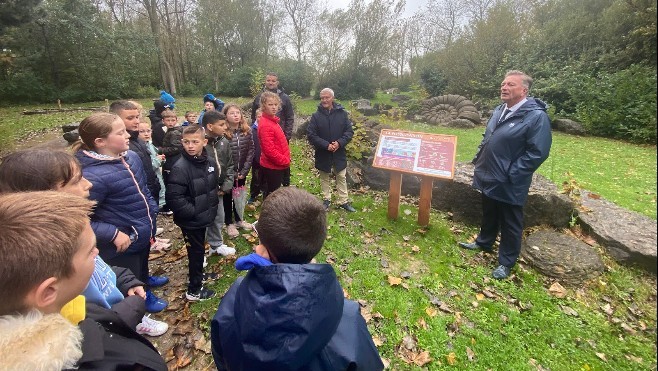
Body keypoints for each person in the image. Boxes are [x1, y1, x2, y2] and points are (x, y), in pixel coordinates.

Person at [210, 187, 384, 370]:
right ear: (317, 244)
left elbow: (223, 358)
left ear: (263, 250)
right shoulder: (348, 323)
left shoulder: (234, 299)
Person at [0, 148, 169, 336]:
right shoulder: (48, 256)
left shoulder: (75, 232)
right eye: (77, 180)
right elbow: (89, 330)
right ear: (44, 194)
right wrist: (124, 315)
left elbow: (99, 268)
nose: (88, 184)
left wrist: (125, 281)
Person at [0, 191, 167, 370]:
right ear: (49, 291)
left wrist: (121, 306)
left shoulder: (70, 306)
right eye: (90, 251)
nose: (97, 253)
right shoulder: (87, 362)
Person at [459, 70, 552, 279]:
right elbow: (489, 137)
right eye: (503, 84)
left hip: (511, 180)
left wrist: (513, 172)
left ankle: (506, 262)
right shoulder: (500, 110)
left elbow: (538, 152)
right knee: (489, 211)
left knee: (511, 221)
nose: (504, 87)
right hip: (488, 172)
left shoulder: (536, 117)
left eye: (510, 84)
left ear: (524, 90)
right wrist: (479, 158)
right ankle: (484, 242)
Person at [74, 112, 169, 313]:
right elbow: (78, 219)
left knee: (141, 263)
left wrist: (151, 212)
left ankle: (145, 281)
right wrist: (112, 233)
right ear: (100, 141)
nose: (128, 135)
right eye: (121, 132)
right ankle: (138, 313)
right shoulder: (91, 176)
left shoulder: (130, 157)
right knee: (128, 276)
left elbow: (144, 189)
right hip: (121, 243)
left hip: (141, 231)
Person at [165, 125, 220, 301]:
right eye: (186, 142)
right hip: (191, 220)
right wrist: (194, 212)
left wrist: (208, 209)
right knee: (195, 253)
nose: (190, 146)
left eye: (195, 142)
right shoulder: (180, 167)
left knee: (199, 250)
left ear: (204, 142)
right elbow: (174, 198)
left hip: (204, 216)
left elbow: (211, 187)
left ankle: (198, 275)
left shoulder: (209, 161)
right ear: (182, 142)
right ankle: (194, 290)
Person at [307, 88, 356, 212]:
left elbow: (349, 131)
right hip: (323, 152)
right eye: (322, 98)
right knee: (324, 177)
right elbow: (311, 135)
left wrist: (339, 143)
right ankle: (326, 199)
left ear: (332, 98)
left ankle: (343, 201)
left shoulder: (342, 114)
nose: (324, 100)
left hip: (339, 152)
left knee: (341, 176)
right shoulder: (316, 116)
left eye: (327, 97)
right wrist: (326, 145)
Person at [110, 100, 161, 207]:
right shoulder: (120, 146)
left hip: (150, 194)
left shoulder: (140, 141)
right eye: (130, 118)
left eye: (137, 117)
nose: (136, 121)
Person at [251, 72, 295, 186]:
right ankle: (261, 187)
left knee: (281, 165)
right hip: (266, 135)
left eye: (273, 81)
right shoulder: (259, 98)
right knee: (264, 162)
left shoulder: (284, 98)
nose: (270, 83)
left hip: (281, 136)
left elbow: (290, 117)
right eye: (268, 80)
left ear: (277, 82)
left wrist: (287, 136)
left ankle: (285, 185)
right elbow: (253, 117)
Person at [203, 110, 237, 257]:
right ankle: (201, 250)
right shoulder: (199, 144)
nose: (225, 127)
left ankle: (216, 245)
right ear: (210, 126)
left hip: (220, 191)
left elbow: (230, 165)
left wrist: (226, 185)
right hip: (203, 192)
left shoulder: (224, 142)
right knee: (203, 221)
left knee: (219, 217)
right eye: (221, 124)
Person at [223, 103, 255, 238]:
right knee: (227, 196)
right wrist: (232, 173)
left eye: (237, 112)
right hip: (228, 174)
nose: (235, 115)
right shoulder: (223, 134)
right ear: (225, 116)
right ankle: (229, 223)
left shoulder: (246, 131)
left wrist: (244, 171)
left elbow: (251, 151)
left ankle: (239, 219)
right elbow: (222, 156)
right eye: (232, 113)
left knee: (239, 196)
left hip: (242, 172)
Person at [257, 91, 290, 199]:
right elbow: (269, 150)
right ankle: (270, 214)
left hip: (277, 164)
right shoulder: (266, 124)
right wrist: (284, 160)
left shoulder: (272, 121)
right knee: (272, 194)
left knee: (273, 192)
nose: (274, 107)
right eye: (270, 104)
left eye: (276, 104)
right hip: (273, 166)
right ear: (263, 106)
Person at [248, 108, 263, 205]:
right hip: (255, 159)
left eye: (263, 117)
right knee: (256, 177)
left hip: (266, 158)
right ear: (255, 117)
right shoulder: (252, 130)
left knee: (265, 177)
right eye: (259, 117)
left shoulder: (268, 128)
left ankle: (264, 192)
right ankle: (253, 194)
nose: (260, 119)